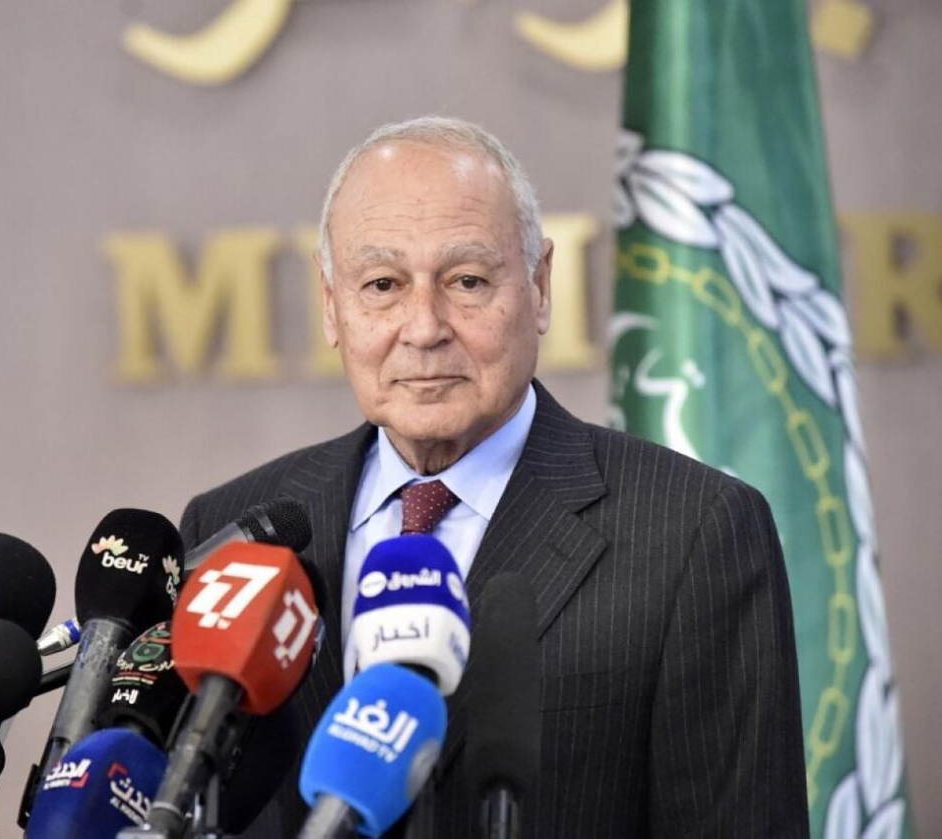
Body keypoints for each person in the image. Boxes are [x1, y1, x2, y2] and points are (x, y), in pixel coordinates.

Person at [179, 116, 808, 837]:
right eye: (382, 284)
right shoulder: (231, 533)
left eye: (467, 281)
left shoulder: (694, 531)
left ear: (539, 285)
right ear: (331, 304)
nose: (424, 327)